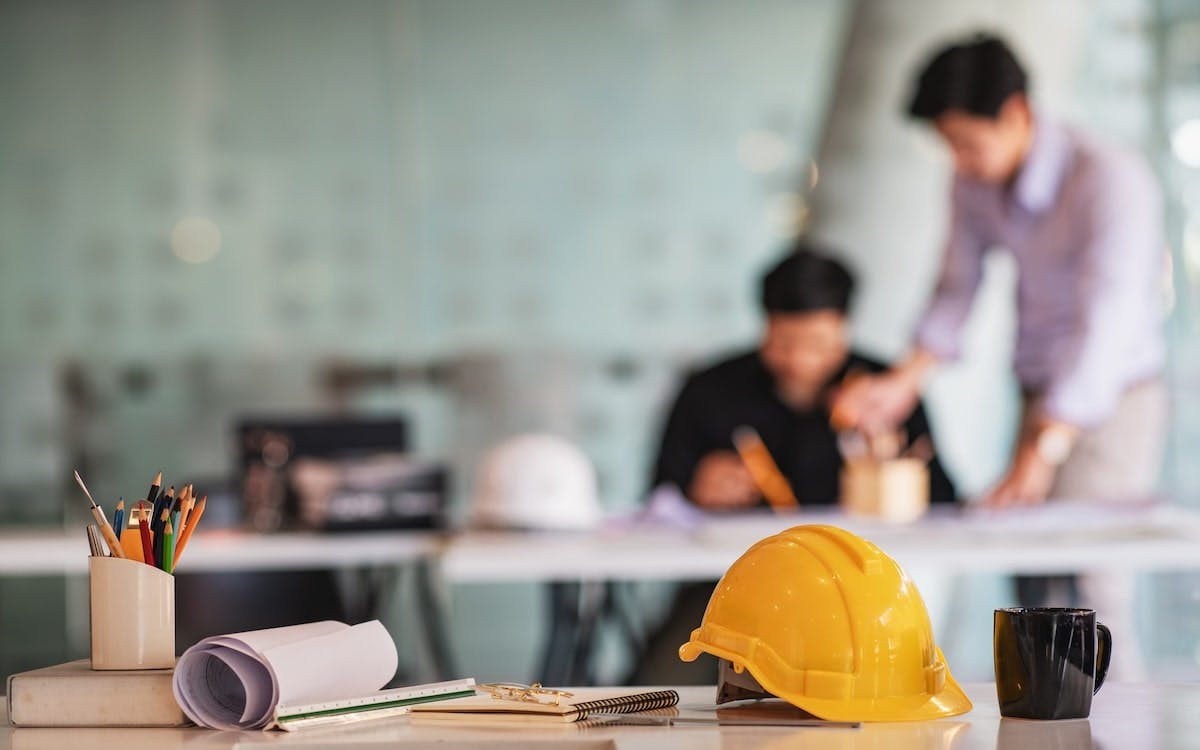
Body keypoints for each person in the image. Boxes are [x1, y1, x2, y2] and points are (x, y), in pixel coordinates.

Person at [832, 34, 1166, 678]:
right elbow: (956, 286)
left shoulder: (1107, 179)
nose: (958, 161)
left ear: (1016, 114)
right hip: (1038, 389)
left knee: (1093, 586)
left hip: (1114, 398)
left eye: (965, 142)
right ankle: (1046, 733)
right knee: (1032, 579)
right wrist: (903, 382)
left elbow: (1108, 327)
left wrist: (1045, 447)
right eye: (948, 145)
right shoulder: (975, 181)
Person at [632, 245, 957, 684]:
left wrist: (894, 471)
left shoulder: (886, 391)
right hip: (729, 586)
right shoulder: (710, 389)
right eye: (784, 343)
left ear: (845, 326)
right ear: (764, 324)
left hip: (858, 592)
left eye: (819, 344)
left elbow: (946, 500)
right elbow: (657, 495)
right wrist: (695, 485)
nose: (801, 359)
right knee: (662, 683)